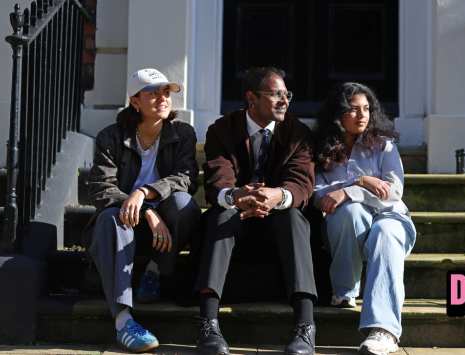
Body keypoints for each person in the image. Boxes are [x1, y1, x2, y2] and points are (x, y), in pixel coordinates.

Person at [196, 67, 317, 355]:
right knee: (222, 214)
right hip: (236, 219)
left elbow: (302, 182)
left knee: (294, 216)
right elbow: (216, 180)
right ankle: (208, 324)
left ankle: (305, 326)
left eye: (287, 94)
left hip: (278, 223)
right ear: (251, 98)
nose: (284, 101)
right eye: (276, 95)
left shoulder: (298, 133)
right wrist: (238, 196)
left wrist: (276, 195)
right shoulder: (222, 130)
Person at [86, 68, 201, 353]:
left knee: (184, 203)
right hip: (128, 219)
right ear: (135, 101)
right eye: (152, 93)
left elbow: (186, 177)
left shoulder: (182, 133)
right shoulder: (110, 137)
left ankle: (155, 270)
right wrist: (145, 210)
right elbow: (102, 188)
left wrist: (145, 193)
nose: (162, 99)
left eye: (166, 93)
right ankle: (123, 320)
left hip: (165, 218)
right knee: (111, 218)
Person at [313, 82, 417, 355]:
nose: (363, 115)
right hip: (347, 222)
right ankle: (345, 290)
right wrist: (359, 183)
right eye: (354, 109)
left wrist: (350, 189)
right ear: (338, 114)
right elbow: (316, 193)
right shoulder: (321, 149)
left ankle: (383, 330)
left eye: (367, 109)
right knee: (348, 211)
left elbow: (392, 192)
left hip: (390, 217)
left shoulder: (384, 146)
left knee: (384, 233)